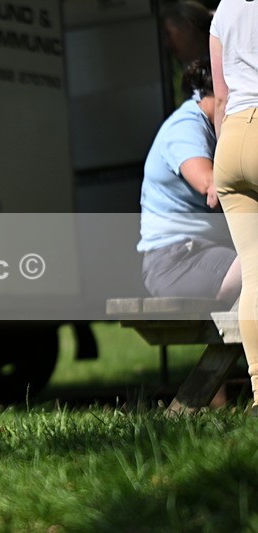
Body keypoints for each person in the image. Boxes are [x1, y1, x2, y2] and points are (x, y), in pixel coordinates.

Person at [138, 58, 241, 305]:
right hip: (177, 261)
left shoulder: (218, 129)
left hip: (205, 251)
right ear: (221, 96)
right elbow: (212, 186)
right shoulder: (186, 128)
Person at [210, 0, 258, 411]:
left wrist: (222, 150)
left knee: (255, 275)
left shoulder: (224, 9)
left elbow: (220, 97)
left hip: (231, 144)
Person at [160, 0, 214, 107]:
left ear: (188, 27)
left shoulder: (219, 64)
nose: (167, 43)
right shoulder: (189, 68)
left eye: (168, 34)